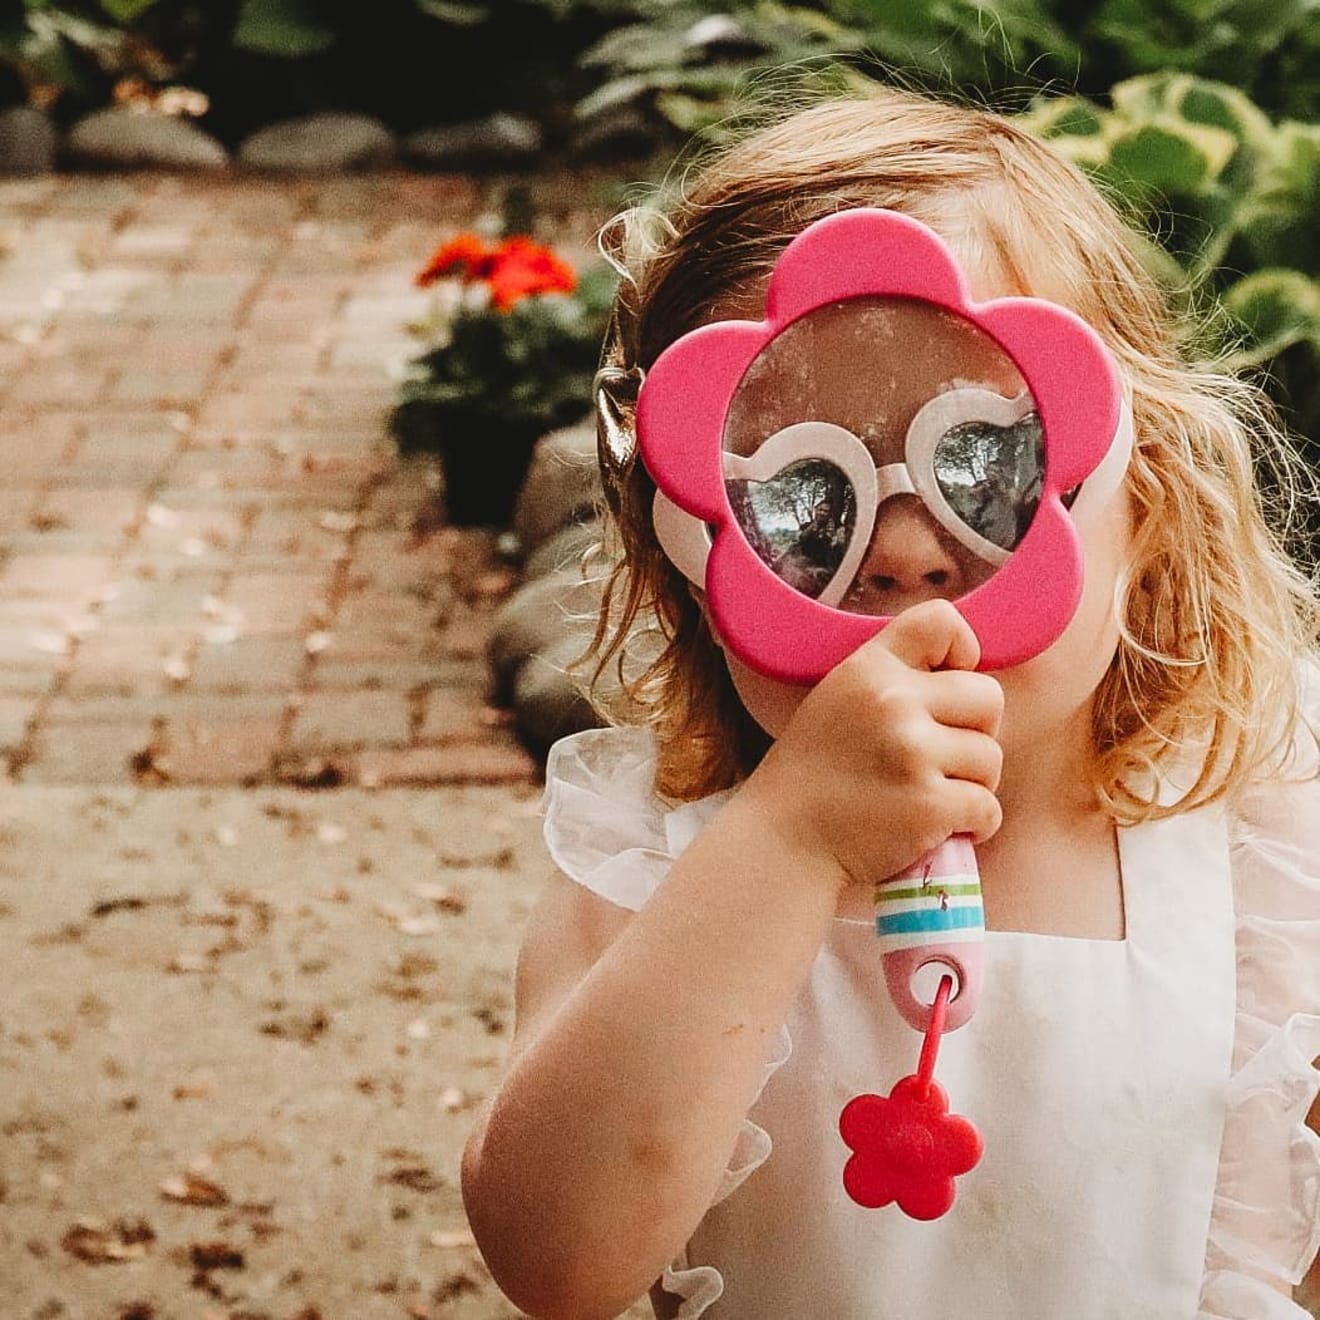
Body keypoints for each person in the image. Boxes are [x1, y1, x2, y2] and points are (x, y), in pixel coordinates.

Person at [461, 84, 1320, 1319]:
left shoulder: (1271, 853)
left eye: (987, 464)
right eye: (807, 499)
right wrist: (790, 837)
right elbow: (558, 1259)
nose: (908, 555)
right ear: (690, 556)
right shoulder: (654, 868)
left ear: (1154, 506)